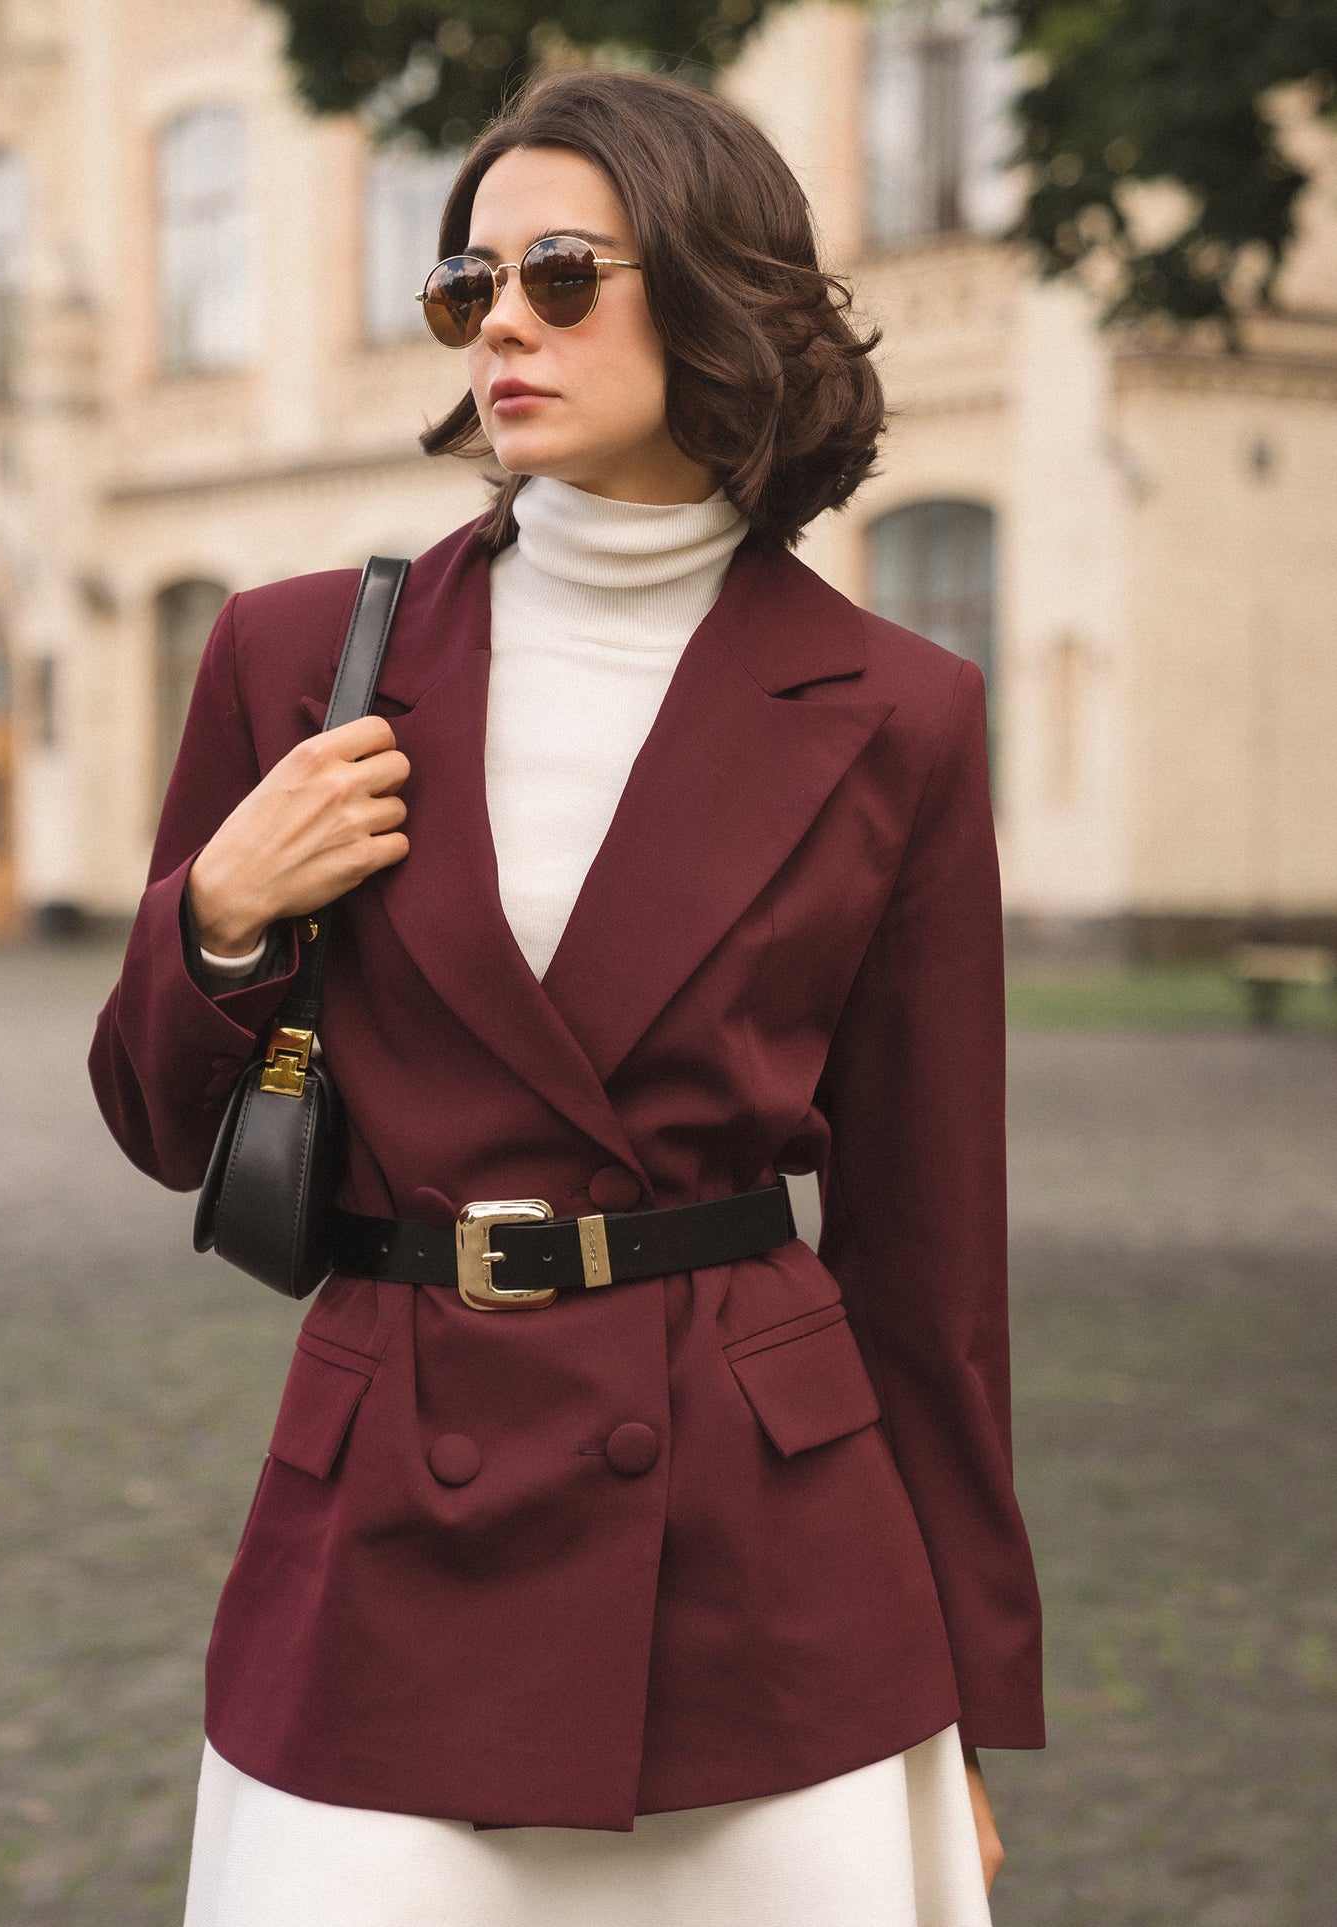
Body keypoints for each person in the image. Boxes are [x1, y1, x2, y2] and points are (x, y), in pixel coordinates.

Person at [89, 66, 1043, 1927]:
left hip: (767, 1563)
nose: (498, 322)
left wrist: (966, 1704)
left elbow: (935, 1264)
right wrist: (218, 911)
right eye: (467, 286)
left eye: (556, 272)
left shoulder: (898, 712)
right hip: (386, 1521)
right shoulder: (294, 653)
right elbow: (154, 1119)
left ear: (711, 295)